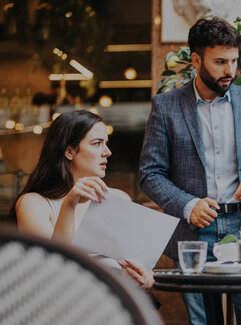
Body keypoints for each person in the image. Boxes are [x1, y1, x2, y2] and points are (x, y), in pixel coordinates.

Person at [139, 17, 241, 325]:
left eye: (234, 61)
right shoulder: (165, 106)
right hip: (195, 233)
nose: (230, 71)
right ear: (196, 60)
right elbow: (150, 173)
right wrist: (188, 205)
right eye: (220, 61)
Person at [13, 110, 154, 289]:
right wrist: (69, 205)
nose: (107, 152)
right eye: (97, 144)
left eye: (106, 144)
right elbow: (51, 268)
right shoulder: (34, 203)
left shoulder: (118, 198)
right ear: (69, 151)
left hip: (119, 302)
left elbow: (147, 272)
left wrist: (144, 280)